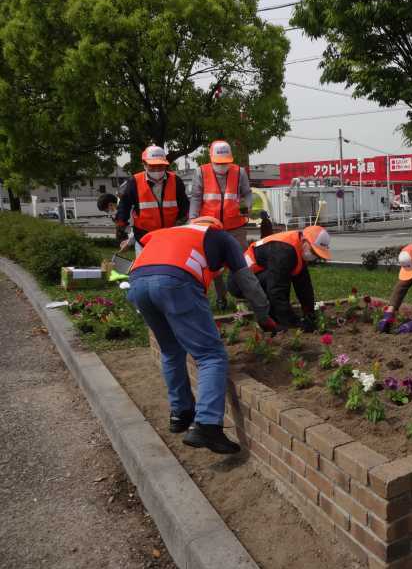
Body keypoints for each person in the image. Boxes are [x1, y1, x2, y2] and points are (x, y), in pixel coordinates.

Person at [127, 216, 275, 455]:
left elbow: (147, 259)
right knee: (211, 356)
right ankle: (206, 425)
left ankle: (180, 413)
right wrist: (263, 314)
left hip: (137, 284)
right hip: (175, 282)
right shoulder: (220, 237)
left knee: (170, 350)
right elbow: (246, 280)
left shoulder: (168, 232)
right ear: (215, 226)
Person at [230, 226, 332, 331]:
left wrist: (309, 314)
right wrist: (294, 322)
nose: (313, 256)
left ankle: (279, 316)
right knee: (280, 279)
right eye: (313, 251)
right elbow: (276, 290)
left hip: (256, 277)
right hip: (239, 283)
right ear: (304, 240)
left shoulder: (297, 247)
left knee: (284, 276)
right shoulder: (284, 251)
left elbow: (304, 286)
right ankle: (273, 319)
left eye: (316, 254)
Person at [190, 140, 253, 309]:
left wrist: (248, 206)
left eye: (225, 162)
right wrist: (192, 218)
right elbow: (195, 197)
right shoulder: (201, 172)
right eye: (218, 163)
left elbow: (247, 193)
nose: (222, 166)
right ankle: (221, 297)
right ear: (211, 158)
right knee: (215, 264)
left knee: (242, 262)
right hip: (211, 227)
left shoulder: (239, 172)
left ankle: (244, 296)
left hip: (236, 226)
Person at [113, 145, 190, 255]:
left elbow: (184, 206)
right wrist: (122, 235)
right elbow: (123, 208)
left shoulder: (176, 181)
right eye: (153, 166)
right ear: (144, 164)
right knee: (146, 271)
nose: (157, 169)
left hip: (170, 238)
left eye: (161, 166)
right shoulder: (134, 182)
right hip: (144, 239)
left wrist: (180, 225)